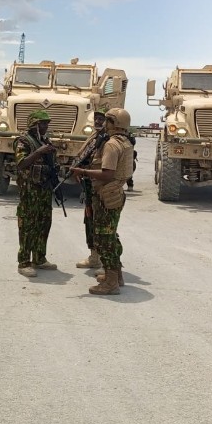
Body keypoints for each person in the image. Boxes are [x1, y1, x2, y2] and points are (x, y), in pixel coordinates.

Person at [70, 107, 134, 295]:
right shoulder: (124, 141)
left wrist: (82, 172)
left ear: (116, 123)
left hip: (106, 195)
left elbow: (107, 174)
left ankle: (111, 283)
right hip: (113, 193)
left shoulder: (112, 145)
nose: (104, 124)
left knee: (105, 239)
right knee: (110, 236)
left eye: (108, 120)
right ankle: (115, 275)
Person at [14, 110, 59, 277]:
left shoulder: (45, 140)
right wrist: (40, 151)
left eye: (47, 123)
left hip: (44, 189)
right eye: (42, 123)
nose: (45, 126)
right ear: (33, 125)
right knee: (28, 226)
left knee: (44, 223)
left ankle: (39, 258)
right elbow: (21, 163)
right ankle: (24, 262)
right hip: (30, 190)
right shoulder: (24, 141)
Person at [75, 109, 109, 269]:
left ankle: (106, 262)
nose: (98, 122)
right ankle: (94, 256)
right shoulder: (94, 138)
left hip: (102, 187)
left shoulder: (109, 140)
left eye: (101, 119)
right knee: (90, 220)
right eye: (96, 118)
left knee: (103, 224)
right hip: (89, 185)